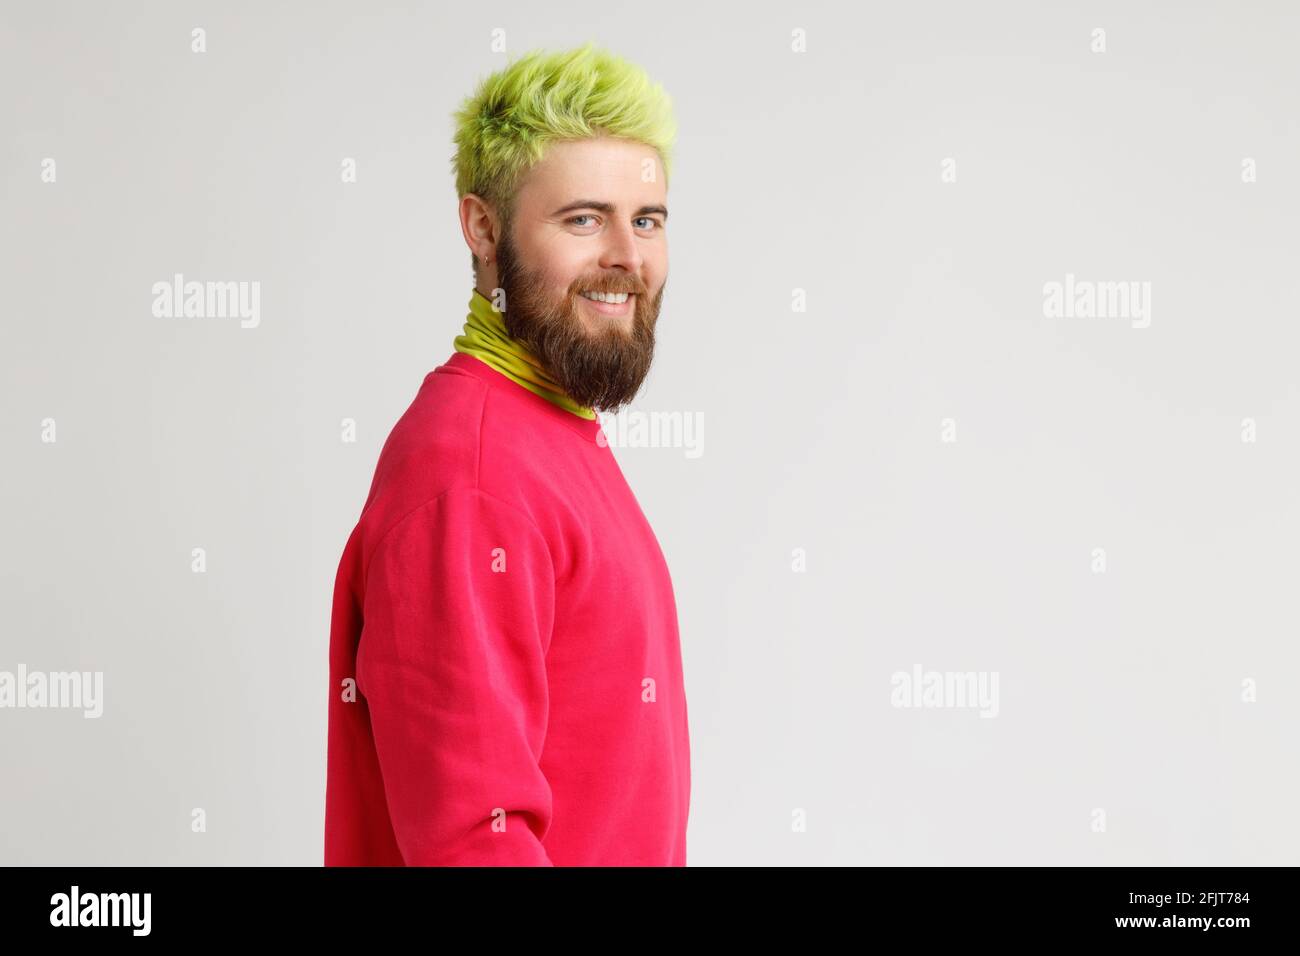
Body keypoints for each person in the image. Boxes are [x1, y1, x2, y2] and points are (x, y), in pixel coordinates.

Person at [324, 42, 690, 866]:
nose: (628, 259)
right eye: (583, 218)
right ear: (483, 229)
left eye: (649, 219)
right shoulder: (474, 473)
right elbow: (472, 843)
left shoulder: (549, 430)